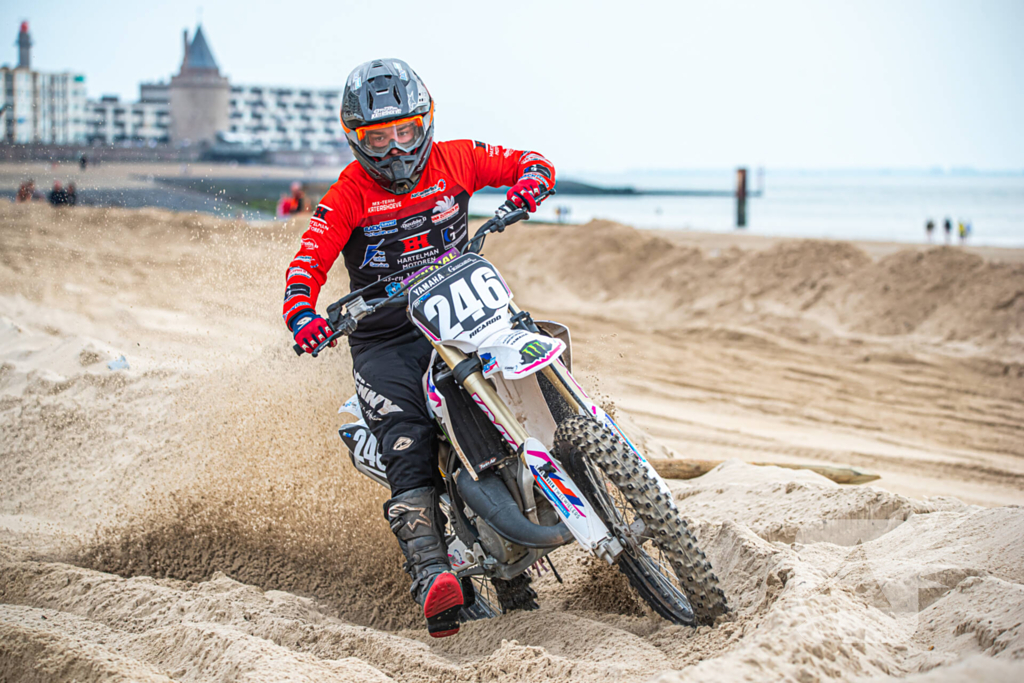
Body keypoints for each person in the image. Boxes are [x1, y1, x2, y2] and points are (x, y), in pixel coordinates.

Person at [282, 59, 555, 639]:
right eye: (378, 138)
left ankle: (584, 449)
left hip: (463, 307)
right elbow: (308, 259)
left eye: (406, 131)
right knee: (407, 439)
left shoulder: (456, 158)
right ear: (355, 138)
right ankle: (432, 573)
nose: (396, 149)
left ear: (425, 122)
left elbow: (525, 161)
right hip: (386, 335)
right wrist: (302, 312)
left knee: (530, 361)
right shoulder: (347, 194)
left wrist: (532, 180)